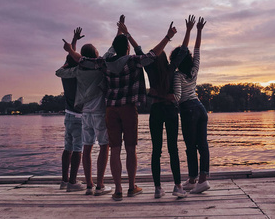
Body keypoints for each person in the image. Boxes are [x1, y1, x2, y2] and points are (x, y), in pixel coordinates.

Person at [63, 16, 177, 201]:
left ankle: (117, 191)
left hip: (110, 110)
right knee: (130, 148)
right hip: (128, 109)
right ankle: (131, 187)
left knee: (114, 149)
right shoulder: (132, 61)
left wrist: (70, 50)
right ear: (127, 48)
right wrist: (167, 37)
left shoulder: (105, 62)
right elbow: (152, 55)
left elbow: (83, 60)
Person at [121, 16, 195, 198]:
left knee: (156, 150)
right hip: (170, 110)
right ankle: (178, 186)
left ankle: (157, 188)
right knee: (173, 149)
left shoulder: (149, 69)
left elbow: (138, 50)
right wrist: (188, 31)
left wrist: (126, 33)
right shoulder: (171, 70)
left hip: (155, 110)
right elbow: (184, 51)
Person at [56, 42, 112, 196]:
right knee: (103, 146)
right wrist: (121, 33)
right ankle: (99, 185)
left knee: (86, 147)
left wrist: (70, 52)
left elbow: (59, 72)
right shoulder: (101, 66)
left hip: (84, 112)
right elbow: (111, 50)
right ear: (94, 54)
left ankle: (89, 185)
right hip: (99, 111)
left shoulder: (78, 70)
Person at [172, 17, 210, 194]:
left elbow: (178, 96)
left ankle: (197, 180)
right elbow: (197, 49)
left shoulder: (178, 76)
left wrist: (168, 99)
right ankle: (198, 179)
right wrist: (198, 30)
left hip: (188, 109)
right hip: (201, 108)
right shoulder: (194, 70)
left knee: (190, 147)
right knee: (202, 145)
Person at [56, 27, 85, 192]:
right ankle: (73, 183)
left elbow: (71, 57)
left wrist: (74, 41)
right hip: (79, 116)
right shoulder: (78, 73)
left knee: (68, 148)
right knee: (78, 149)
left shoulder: (65, 71)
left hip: (68, 115)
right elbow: (76, 59)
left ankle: (65, 180)